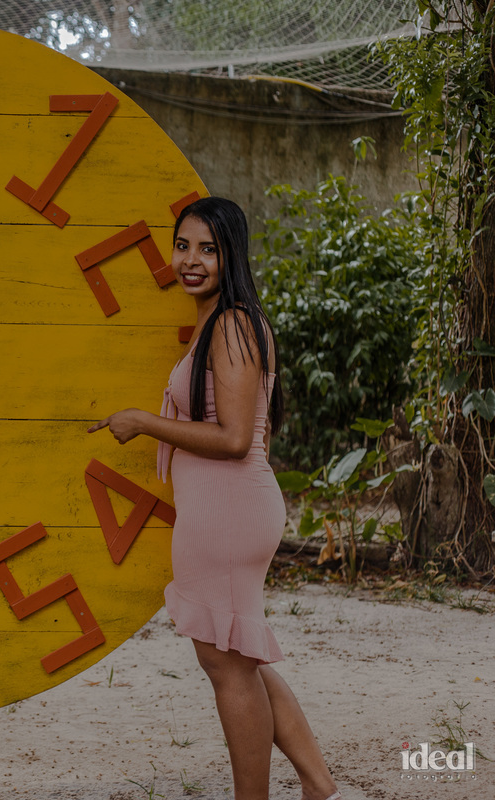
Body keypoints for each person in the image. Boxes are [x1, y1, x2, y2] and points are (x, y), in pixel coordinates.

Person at [88, 197, 339, 800]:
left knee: (228, 668)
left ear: (233, 256)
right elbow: (258, 430)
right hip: (226, 508)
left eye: (209, 249)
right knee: (238, 658)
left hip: (228, 511)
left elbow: (233, 438)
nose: (192, 261)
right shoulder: (220, 320)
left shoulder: (232, 324)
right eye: (183, 246)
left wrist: (144, 422)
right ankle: (319, 786)